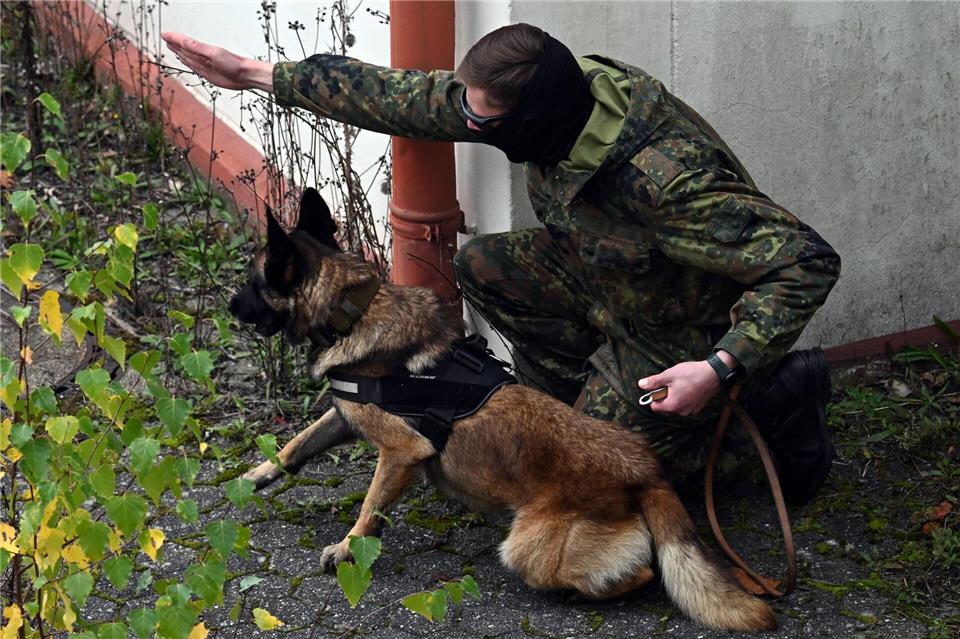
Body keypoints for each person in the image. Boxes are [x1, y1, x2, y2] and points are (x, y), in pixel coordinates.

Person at [162, 24, 841, 503]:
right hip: (609, 279)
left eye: (481, 121)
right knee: (486, 266)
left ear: (533, 123)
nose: (466, 121)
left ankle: (775, 398)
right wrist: (257, 74)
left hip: (679, 332)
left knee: (602, 483)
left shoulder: (666, 184)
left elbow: (807, 262)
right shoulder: (554, 101)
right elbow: (418, 97)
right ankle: (580, 401)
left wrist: (719, 366)